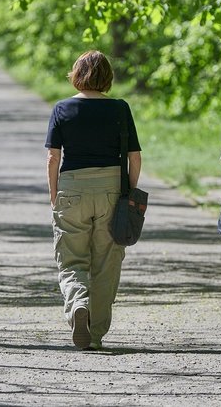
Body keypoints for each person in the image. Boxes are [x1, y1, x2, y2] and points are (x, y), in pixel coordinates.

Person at [45, 50, 142, 350]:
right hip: (112, 188)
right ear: (107, 78)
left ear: (76, 75)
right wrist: (128, 193)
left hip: (72, 189)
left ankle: (77, 304)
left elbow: (52, 157)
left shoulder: (62, 109)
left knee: (71, 259)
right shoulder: (120, 108)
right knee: (107, 262)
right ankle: (96, 332)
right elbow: (134, 158)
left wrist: (53, 194)